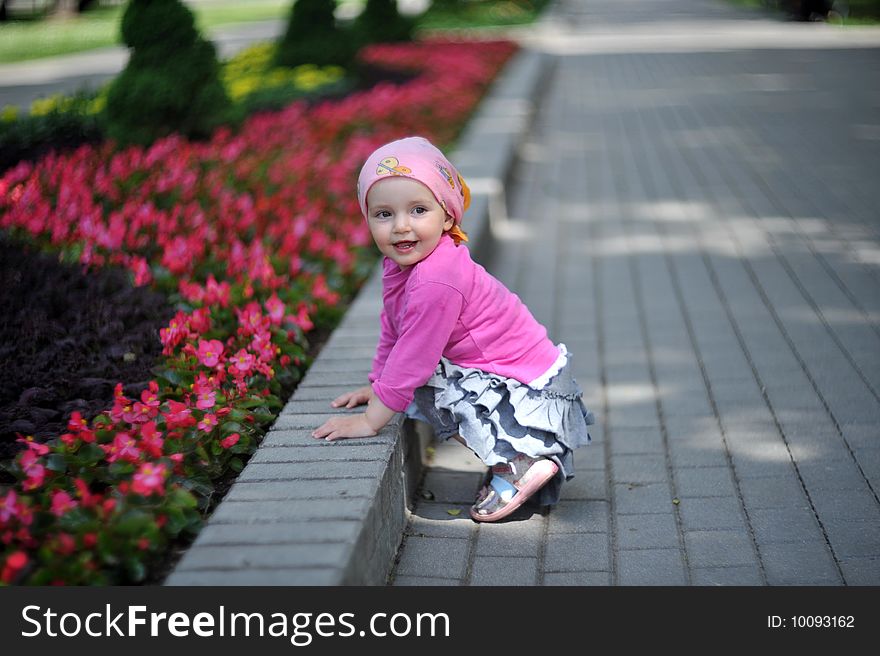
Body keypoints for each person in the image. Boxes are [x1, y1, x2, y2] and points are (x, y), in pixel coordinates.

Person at [312, 136, 593, 522]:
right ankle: (517, 451)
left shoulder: (436, 280)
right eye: (383, 214)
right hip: (519, 377)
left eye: (418, 210)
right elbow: (393, 327)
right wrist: (377, 384)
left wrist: (370, 420)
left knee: (421, 386)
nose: (401, 227)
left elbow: (413, 356)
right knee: (405, 384)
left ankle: (519, 458)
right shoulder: (407, 264)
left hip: (531, 392)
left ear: (447, 217)